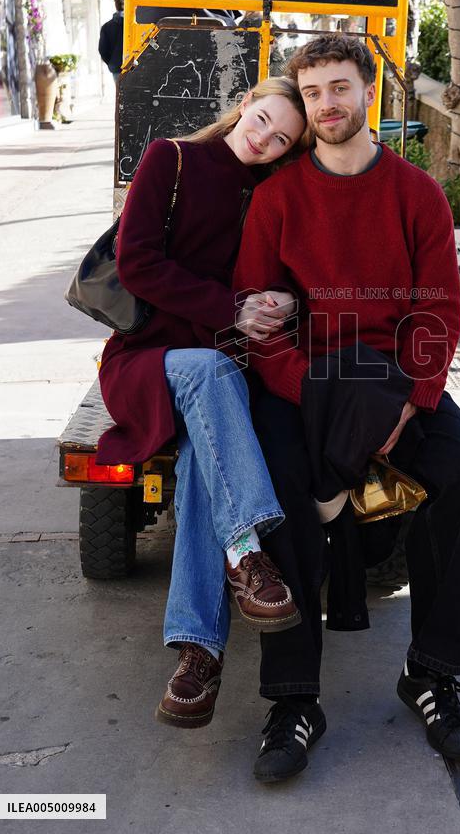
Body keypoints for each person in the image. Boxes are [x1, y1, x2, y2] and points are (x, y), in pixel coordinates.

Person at [233, 35, 460, 783]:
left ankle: (431, 673)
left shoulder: (417, 193)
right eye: (313, 92)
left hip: (394, 381)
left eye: (340, 88)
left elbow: (437, 310)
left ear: (368, 93)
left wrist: (411, 404)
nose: (327, 105)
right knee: (280, 495)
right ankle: (294, 700)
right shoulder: (278, 198)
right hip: (308, 382)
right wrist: (312, 398)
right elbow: (260, 322)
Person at [95, 77, 307, 729]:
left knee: (197, 475)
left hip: (224, 376)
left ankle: (198, 659)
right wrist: (230, 311)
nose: (264, 138)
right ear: (245, 103)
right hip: (150, 361)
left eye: (281, 140)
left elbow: (291, 277)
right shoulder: (172, 158)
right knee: (212, 370)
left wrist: (284, 303)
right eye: (263, 119)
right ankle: (246, 553)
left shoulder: (277, 194)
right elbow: (136, 264)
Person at [98, 0, 124, 85]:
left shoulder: (106, 27)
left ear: (116, 6)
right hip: (135, 65)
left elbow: (102, 50)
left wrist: (111, 62)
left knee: (120, 95)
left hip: (116, 67)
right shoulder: (136, 24)